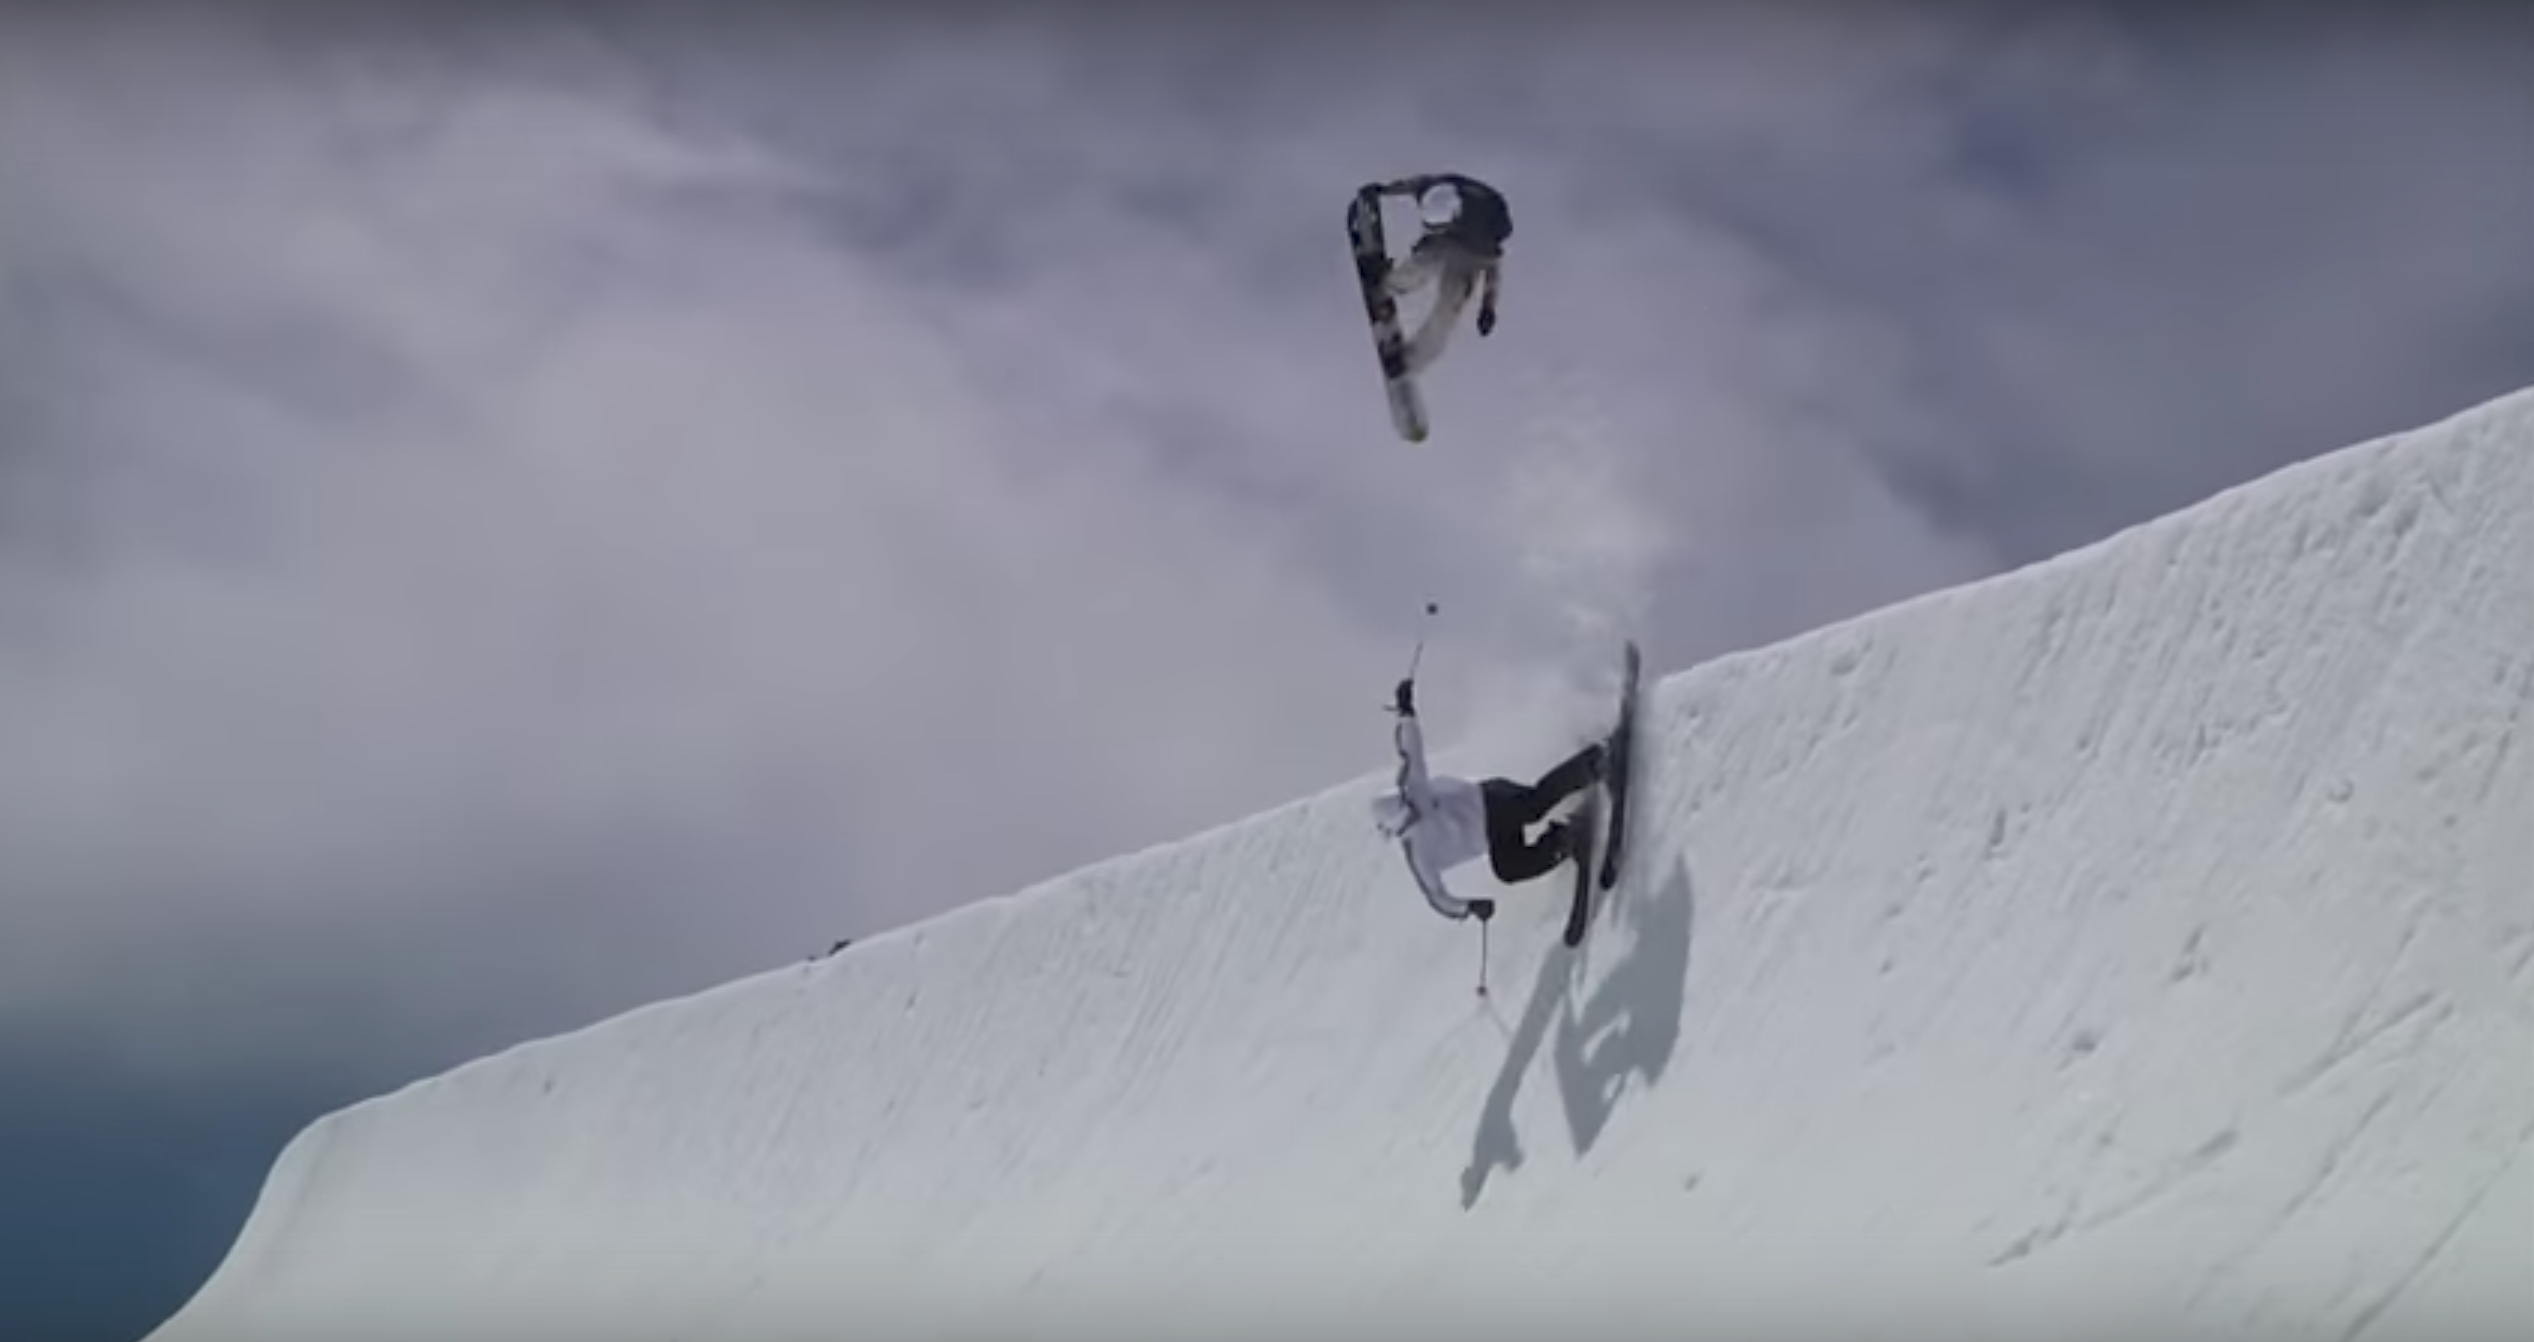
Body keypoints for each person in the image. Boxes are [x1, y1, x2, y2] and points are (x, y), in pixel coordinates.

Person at [1368, 673, 1603, 924]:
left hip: (1490, 800)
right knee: (1508, 869)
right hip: (1492, 835)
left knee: (1531, 808)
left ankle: (1593, 762)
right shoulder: (1419, 855)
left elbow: (1410, 749)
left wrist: (1405, 710)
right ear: (1400, 828)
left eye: (1408, 804)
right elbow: (1436, 896)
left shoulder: (1415, 788)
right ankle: (1564, 840)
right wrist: (1468, 907)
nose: (1414, 809)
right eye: (1408, 814)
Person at [1366, 172, 1512, 376]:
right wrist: (1385, 190)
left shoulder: (1490, 226)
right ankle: (1390, 286)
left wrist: (1488, 306)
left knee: (1447, 310)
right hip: (1445, 240)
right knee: (1424, 261)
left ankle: (1411, 360)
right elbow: (1413, 183)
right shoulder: (1433, 188)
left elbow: (1493, 268)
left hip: (1470, 257)